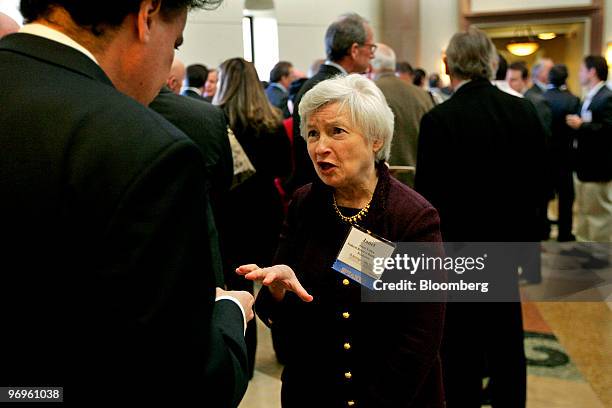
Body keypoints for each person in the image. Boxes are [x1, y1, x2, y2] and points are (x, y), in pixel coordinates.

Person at [0, 0, 253, 405]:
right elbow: (183, 383)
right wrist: (229, 314)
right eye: (176, 41)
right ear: (147, 15)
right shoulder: (143, 146)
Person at [238, 74, 446, 407]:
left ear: (375, 140)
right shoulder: (305, 203)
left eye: (337, 131)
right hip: (313, 392)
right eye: (312, 133)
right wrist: (279, 292)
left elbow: (420, 338)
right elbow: (290, 328)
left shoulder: (411, 217)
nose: (320, 147)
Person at [415, 27, 546, 408]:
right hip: (509, 248)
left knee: (460, 346)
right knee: (507, 341)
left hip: (460, 250)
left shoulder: (440, 120)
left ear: (449, 64)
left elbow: (429, 201)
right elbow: (540, 186)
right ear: (491, 63)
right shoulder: (524, 112)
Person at [213, 57, 292, 378]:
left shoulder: (216, 120)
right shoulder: (272, 121)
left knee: (236, 288)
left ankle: (241, 359)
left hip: (229, 214)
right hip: (266, 211)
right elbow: (284, 170)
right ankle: (285, 347)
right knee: (274, 282)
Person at [287, 12, 376, 195]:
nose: (372, 55)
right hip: (324, 192)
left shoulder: (322, 83)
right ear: (354, 50)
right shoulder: (330, 90)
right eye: (371, 47)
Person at [566, 56, 612, 258]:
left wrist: (581, 126)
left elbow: (608, 130)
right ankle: (585, 248)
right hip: (584, 165)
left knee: (599, 215)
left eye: (582, 70)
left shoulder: (607, 96)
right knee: (584, 211)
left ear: (592, 71)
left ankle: (600, 256)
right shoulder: (591, 96)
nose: (579, 73)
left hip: (598, 167)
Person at [372, 42, 433, 187]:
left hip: (380, 184)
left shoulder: (369, 94)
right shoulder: (422, 95)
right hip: (420, 183)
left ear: (371, 65)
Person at [542, 64, 580, 242]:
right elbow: (575, 130)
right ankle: (565, 232)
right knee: (566, 197)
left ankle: (543, 229)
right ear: (565, 79)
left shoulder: (541, 98)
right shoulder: (572, 100)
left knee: (543, 196)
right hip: (565, 155)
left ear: (549, 78)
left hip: (545, 156)